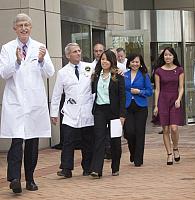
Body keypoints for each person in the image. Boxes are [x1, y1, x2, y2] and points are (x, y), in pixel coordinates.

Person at [0, 13, 55, 193]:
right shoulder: (7, 48)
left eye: (27, 25)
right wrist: (16, 61)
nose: (24, 28)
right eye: (20, 25)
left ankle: (30, 178)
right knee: (17, 141)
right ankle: (14, 178)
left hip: (34, 103)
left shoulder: (40, 47)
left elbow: (50, 72)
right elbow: (4, 73)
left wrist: (41, 60)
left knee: (32, 143)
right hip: (15, 102)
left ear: (31, 28)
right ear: (14, 28)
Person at [50, 43, 94, 178]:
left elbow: (105, 73)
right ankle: (66, 169)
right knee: (68, 141)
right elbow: (57, 94)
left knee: (88, 141)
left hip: (87, 110)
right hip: (70, 111)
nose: (78, 53)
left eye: (79, 50)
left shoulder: (89, 67)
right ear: (68, 55)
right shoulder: (63, 72)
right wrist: (53, 113)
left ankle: (88, 167)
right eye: (75, 51)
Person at [90, 49, 126, 178]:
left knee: (115, 140)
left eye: (107, 59)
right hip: (99, 110)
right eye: (102, 59)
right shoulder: (96, 75)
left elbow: (122, 97)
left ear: (112, 61)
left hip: (114, 112)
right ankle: (96, 169)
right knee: (99, 139)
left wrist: (122, 115)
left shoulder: (119, 76)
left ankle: (115, 167)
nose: (104, 61)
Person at [153, 47, 184, 165]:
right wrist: (156, 105)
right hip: (163, 100)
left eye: (170, 55)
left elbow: (181, 87)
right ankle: (169, 154)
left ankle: (175, 148)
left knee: (174, 128)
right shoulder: (158, 71)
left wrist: (179, 99)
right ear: (163, 57)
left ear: (174, 56)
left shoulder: (180, 70)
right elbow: (157, 89)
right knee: (165, 128)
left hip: (174, 100)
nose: (167, 57)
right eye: (165, 55)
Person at [123, 53, 153, 167]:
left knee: (139, 132)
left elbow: (149, 91)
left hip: (140, 107)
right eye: (133, 62)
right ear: (129, 63)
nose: (135, 64)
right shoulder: (124, 75)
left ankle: (138, 159)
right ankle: (133, 152)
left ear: (140, 64)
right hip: (127, 106)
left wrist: (139, 92)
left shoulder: (144, 75)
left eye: (137, 62)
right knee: (129, 132)